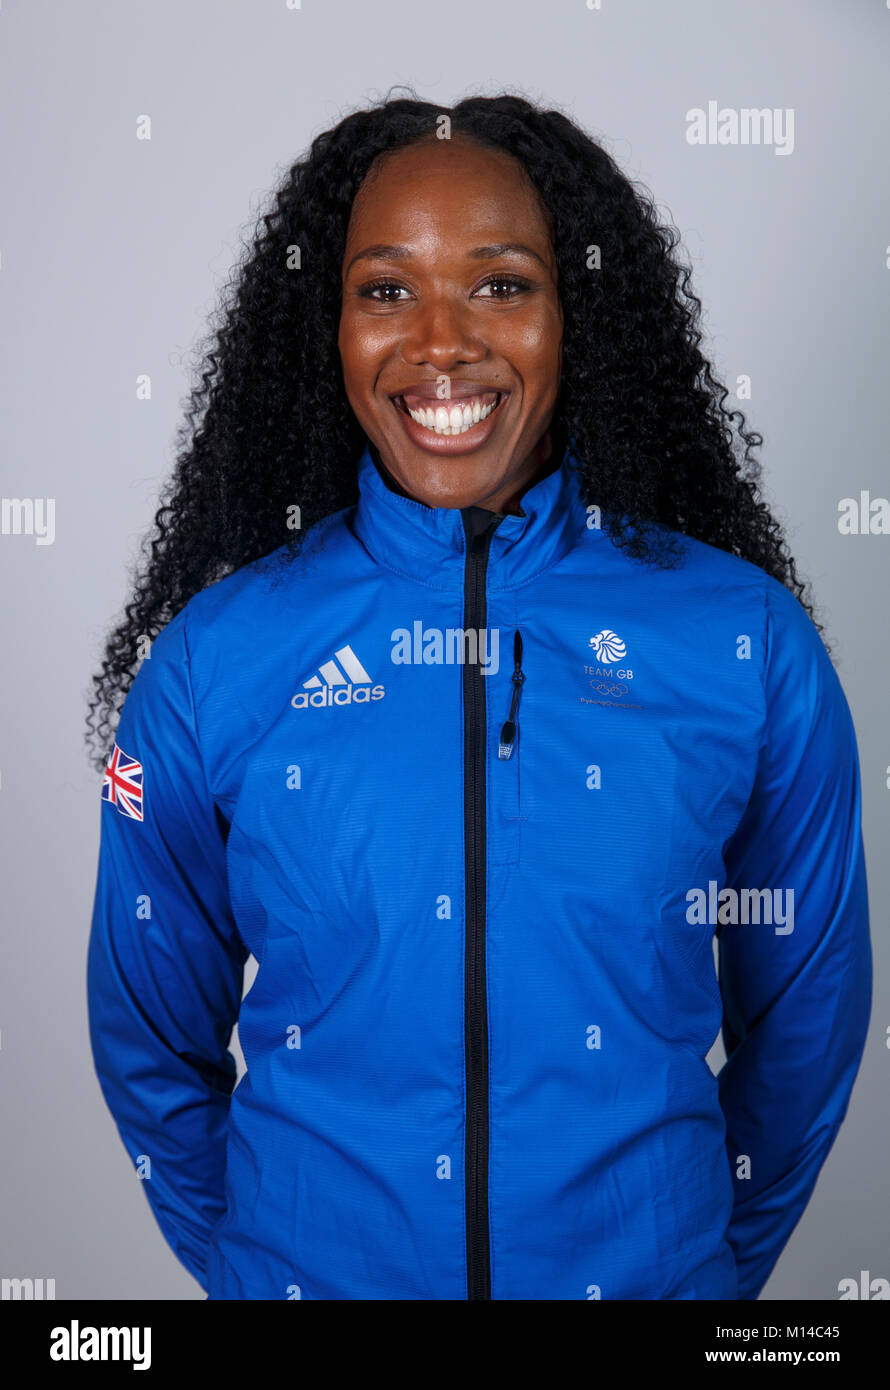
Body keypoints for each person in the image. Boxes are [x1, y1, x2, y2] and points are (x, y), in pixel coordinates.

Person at [85, 91, 872, 1301]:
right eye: (384, 288)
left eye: (500, 283)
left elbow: (805, 1019)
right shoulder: (214, 662)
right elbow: (149, 1036)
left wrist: (692, 1270)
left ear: (578, 318)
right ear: (327, 325)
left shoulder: (743, 644)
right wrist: (265, 1272)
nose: (440, 342)